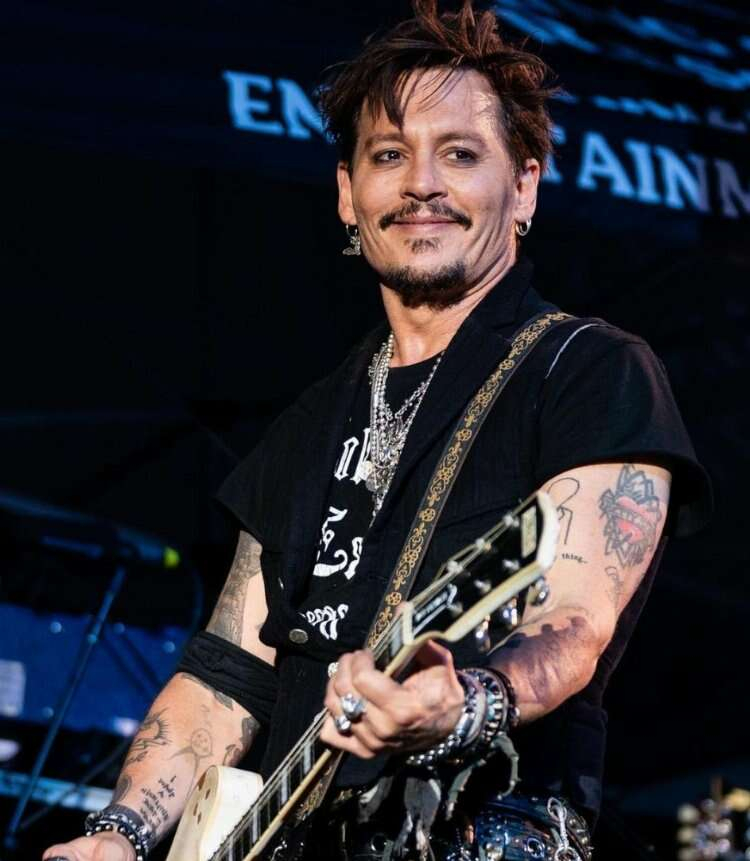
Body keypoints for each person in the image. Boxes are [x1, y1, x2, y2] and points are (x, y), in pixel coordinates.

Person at [43, 2, 711, 859]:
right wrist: (120, 831)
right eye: (389, 155)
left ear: (525, 187)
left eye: (460, 154)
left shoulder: (586, 369)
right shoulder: (307, 425)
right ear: (346, 194)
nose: (421, 183)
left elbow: (573, 619)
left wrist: (464, 702)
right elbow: (226, 672)